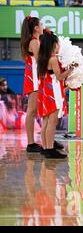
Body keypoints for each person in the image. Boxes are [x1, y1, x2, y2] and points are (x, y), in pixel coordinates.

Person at [37, 29, 74, 159]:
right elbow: (59, 77)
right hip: (53, 92)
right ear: (53, 45)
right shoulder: (52, 59)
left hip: (46, 91)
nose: (59, 46)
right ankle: (50, 149)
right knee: (52, 122)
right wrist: (70, 70)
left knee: (46, 121)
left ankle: (45, 147)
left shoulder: (43, 58)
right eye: (58, 44)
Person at [20, 16, 47, 152]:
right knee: (31, 111)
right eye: (41, 24)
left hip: (35, 77)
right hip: (34, 78)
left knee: (34, 111)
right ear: (36, 28)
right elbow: (40, 60)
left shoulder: (35, 41)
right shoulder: (34, 42)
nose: (43, 26)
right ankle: (31, 143)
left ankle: (41, 141)